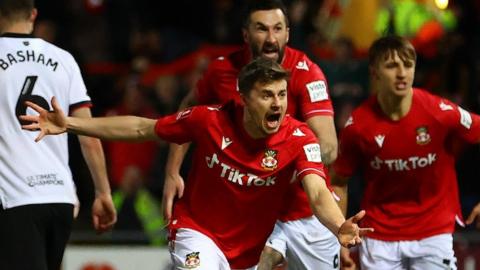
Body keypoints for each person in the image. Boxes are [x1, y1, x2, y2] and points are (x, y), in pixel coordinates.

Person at [21, 58, 372, 269]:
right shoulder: (208, 120)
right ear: (244, 97)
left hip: (245, 253)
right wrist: (69, 123)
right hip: (196, 231)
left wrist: (337, 223)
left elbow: (317, 191)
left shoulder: (299, 139)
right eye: (266, 95)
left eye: (281, 94)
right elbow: (142, 128)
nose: (277, 103)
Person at [162, 1, 342, 269]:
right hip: (250, 212)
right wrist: (172, 171)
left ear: (288, 34)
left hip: (304, 211)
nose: (271, 39)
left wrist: (285, 166)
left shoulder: (306, 74)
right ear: (246, 35)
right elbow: (188, 112)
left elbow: (328, 145)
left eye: (278, 29)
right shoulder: (221, 70)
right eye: (262, 29)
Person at [331, 35, 480, 270]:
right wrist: (339, 232)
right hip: (379, 236)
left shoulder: (440, 112)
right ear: (374, 73)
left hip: (433, 231)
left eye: (408, 64)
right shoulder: (357, 127)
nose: (402, 73)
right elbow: (339, 181)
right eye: (392, 66)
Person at [0, 1, 117, 269]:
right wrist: (103, 193)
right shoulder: (63, 59)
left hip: (14, 199)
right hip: (60, 197)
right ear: (33, 14)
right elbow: (88, 133)